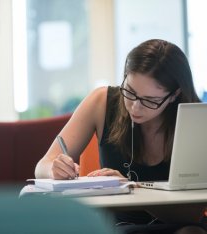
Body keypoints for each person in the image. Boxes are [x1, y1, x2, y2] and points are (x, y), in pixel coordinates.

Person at [35, 39, 207, 234]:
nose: (135, 106)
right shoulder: (101, 102)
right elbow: (42, 166)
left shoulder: (195, 119)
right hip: (117, 227)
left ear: (174, 95)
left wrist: (132, 188)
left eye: (150, 101)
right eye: (130, 92)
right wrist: (55, 169)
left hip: (182, 226)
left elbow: (191, 214)